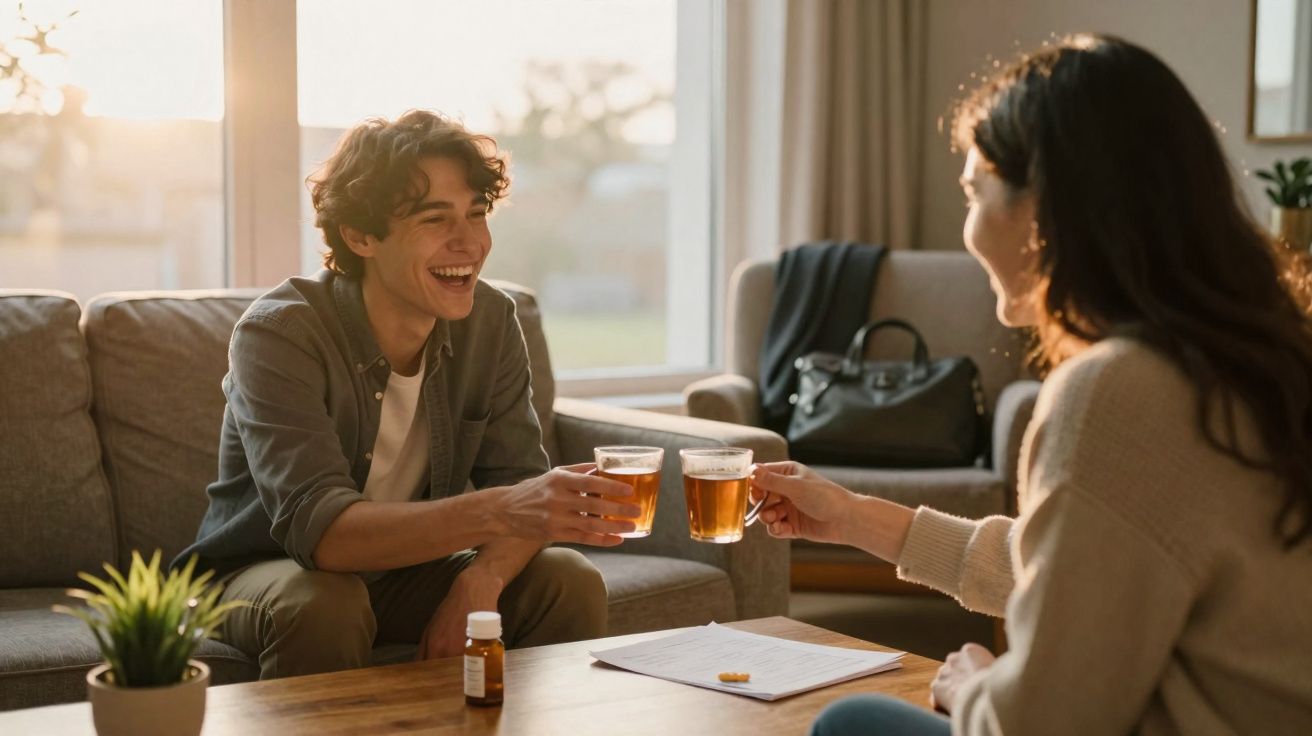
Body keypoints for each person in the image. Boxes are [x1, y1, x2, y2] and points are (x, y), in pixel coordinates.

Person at [749, 34, 1312, 734]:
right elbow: (1069, 571)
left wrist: (976, 689)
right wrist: (850, 516)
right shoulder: (1251, 358)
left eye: (974, 192)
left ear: (1046, 206)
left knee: (855, 722)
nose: (968, 227)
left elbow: (1040, 722)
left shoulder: (1117, 391)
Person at [175, 110, 640, 679]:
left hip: (407, 572)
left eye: (476, 214)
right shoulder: (280, 334)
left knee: (566, 578)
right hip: (260, 572)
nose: (469, 242)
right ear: (360, 235)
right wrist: (503, 509)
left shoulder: (490, 321)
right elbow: (325, 538)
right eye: (434, 219)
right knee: (326, 601)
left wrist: (480, 579)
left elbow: (521, 490)